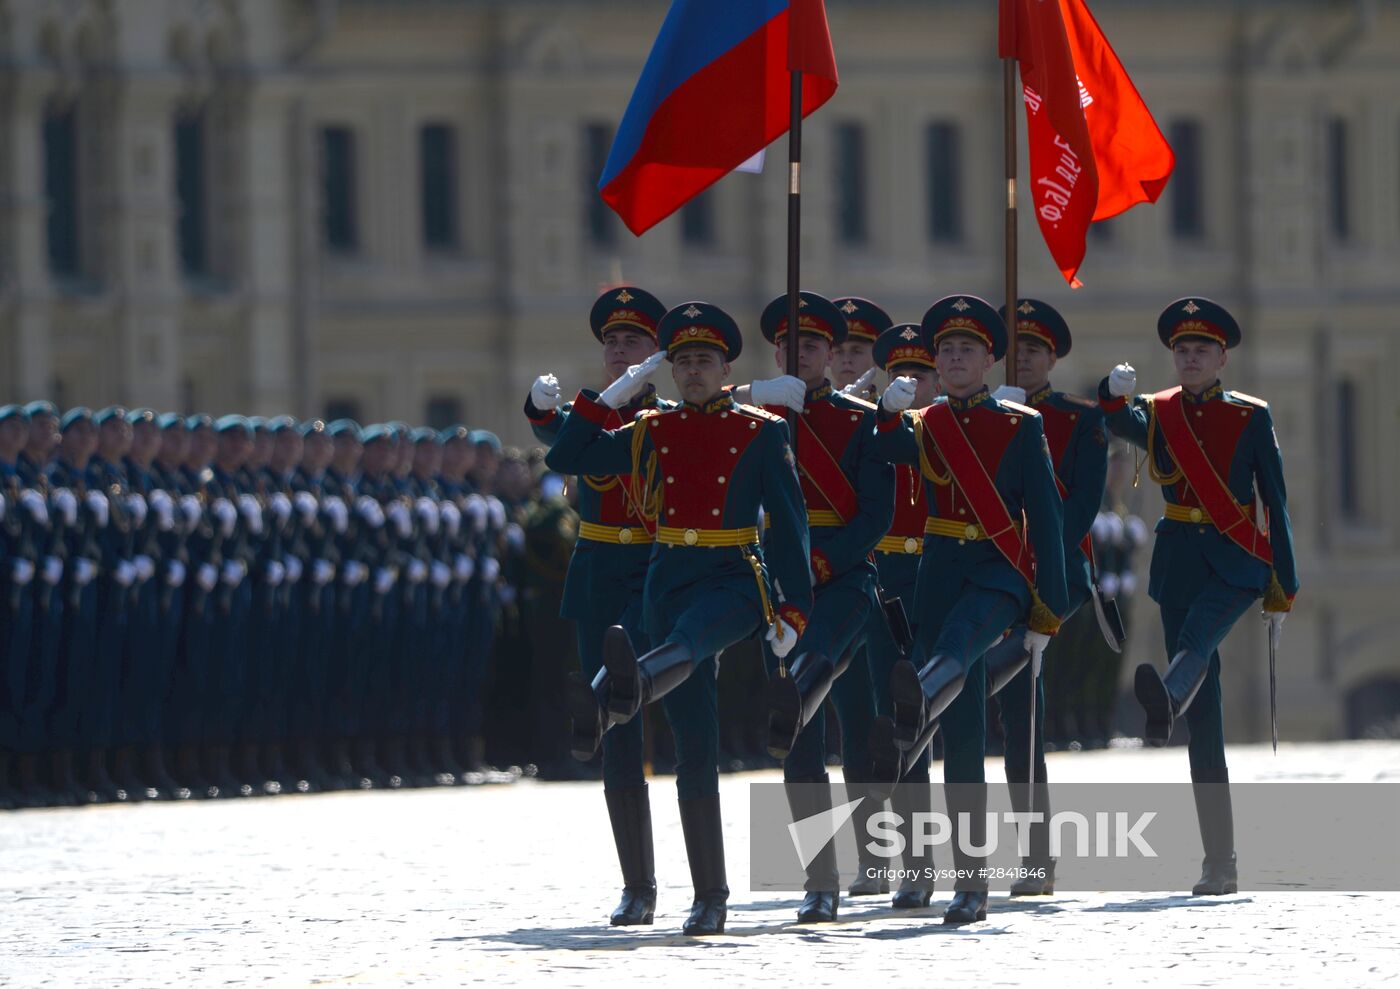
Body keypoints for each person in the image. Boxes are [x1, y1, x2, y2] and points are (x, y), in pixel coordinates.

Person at [546, 301, 812, 936]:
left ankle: (709, 896)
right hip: (666, 578)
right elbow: (569, 456)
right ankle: (639, 889)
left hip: (731, 577)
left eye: (705, 361)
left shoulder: (760, 431)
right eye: (684, 361)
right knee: (663, 730)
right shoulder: (651, 430)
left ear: (726, 370)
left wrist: (794, 609)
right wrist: (613, 393)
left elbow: (791, 526)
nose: (693, 371)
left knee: (694, 727)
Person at [867, 295, 1069, 924]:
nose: (955, 359)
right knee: (959, 737)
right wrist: (885, 413)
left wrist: (1048, 610)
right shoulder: (924, 423)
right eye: (946, 350)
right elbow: (885, 452)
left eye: (967, 350)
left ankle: (917, 698)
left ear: (988, 360)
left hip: (998, 573)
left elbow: (1047, 521)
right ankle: (958, 881)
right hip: (939, 575)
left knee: (953, 651)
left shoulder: (1020, 425)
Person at [1099, 297, 1297, 895]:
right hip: (1180, 561)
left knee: (1197, 637)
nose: (1190, 358)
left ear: (1221, 358)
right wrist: (1110, 393)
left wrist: (1283, 585)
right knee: (1205, 723)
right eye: (1182, 350)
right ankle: (1220, 860)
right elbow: (1115, 421)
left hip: (1237, 559)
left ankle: (1168, 694)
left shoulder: (1250, 415)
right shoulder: (1158, 412)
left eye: (1201, 350)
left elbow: (1276, 500)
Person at [742, 290, 893, 922]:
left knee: (848, 715)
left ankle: (877, 854)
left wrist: (823, 562)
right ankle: (820, 879)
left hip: (845, 581)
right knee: (799, 740)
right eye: (788, 345)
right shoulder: (755, 420)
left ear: (830, 354)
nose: (797, 355)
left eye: (810, 345)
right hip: (782, 584)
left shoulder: (861, 421)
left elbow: (877, 515)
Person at [525, 286, 674, 925]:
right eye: (611, 342)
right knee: (618, 735)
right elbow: (555, 436)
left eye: (632, 341)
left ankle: (704, 882)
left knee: (637, 695)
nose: (618, 351)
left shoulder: (671, 416)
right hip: (597, 574)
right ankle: (637, 884)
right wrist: (539, 406)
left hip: (655, 571)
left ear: (655, 352)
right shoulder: (591, 416)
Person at [976, 299, 1108, 896]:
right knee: (1011, 709)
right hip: (988, 574)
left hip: (1053, 578)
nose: (1023, 359)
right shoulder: (975, 417)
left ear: (1052, 359)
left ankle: (1035, 857)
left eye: (1034, 349)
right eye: (1015, 349)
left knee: (1023, 709)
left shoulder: (1080, 420)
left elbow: (1081, 509)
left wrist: (1037, 563)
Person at [863, 322, 941, 907]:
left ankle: (939, 864)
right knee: (890, 717)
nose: (911, 384)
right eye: (900, 375)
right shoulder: (876, 429)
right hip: (885, 580)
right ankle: (904, 861)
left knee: (931, 718)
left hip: (938, 577)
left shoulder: (955, 430)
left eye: (922, 374)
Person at [830, 297, 892, 402]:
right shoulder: (809, 408)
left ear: (875, 358)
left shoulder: (888, 410)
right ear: (828, 357)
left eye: (856, 351)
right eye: (838, 351)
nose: (846, 359)